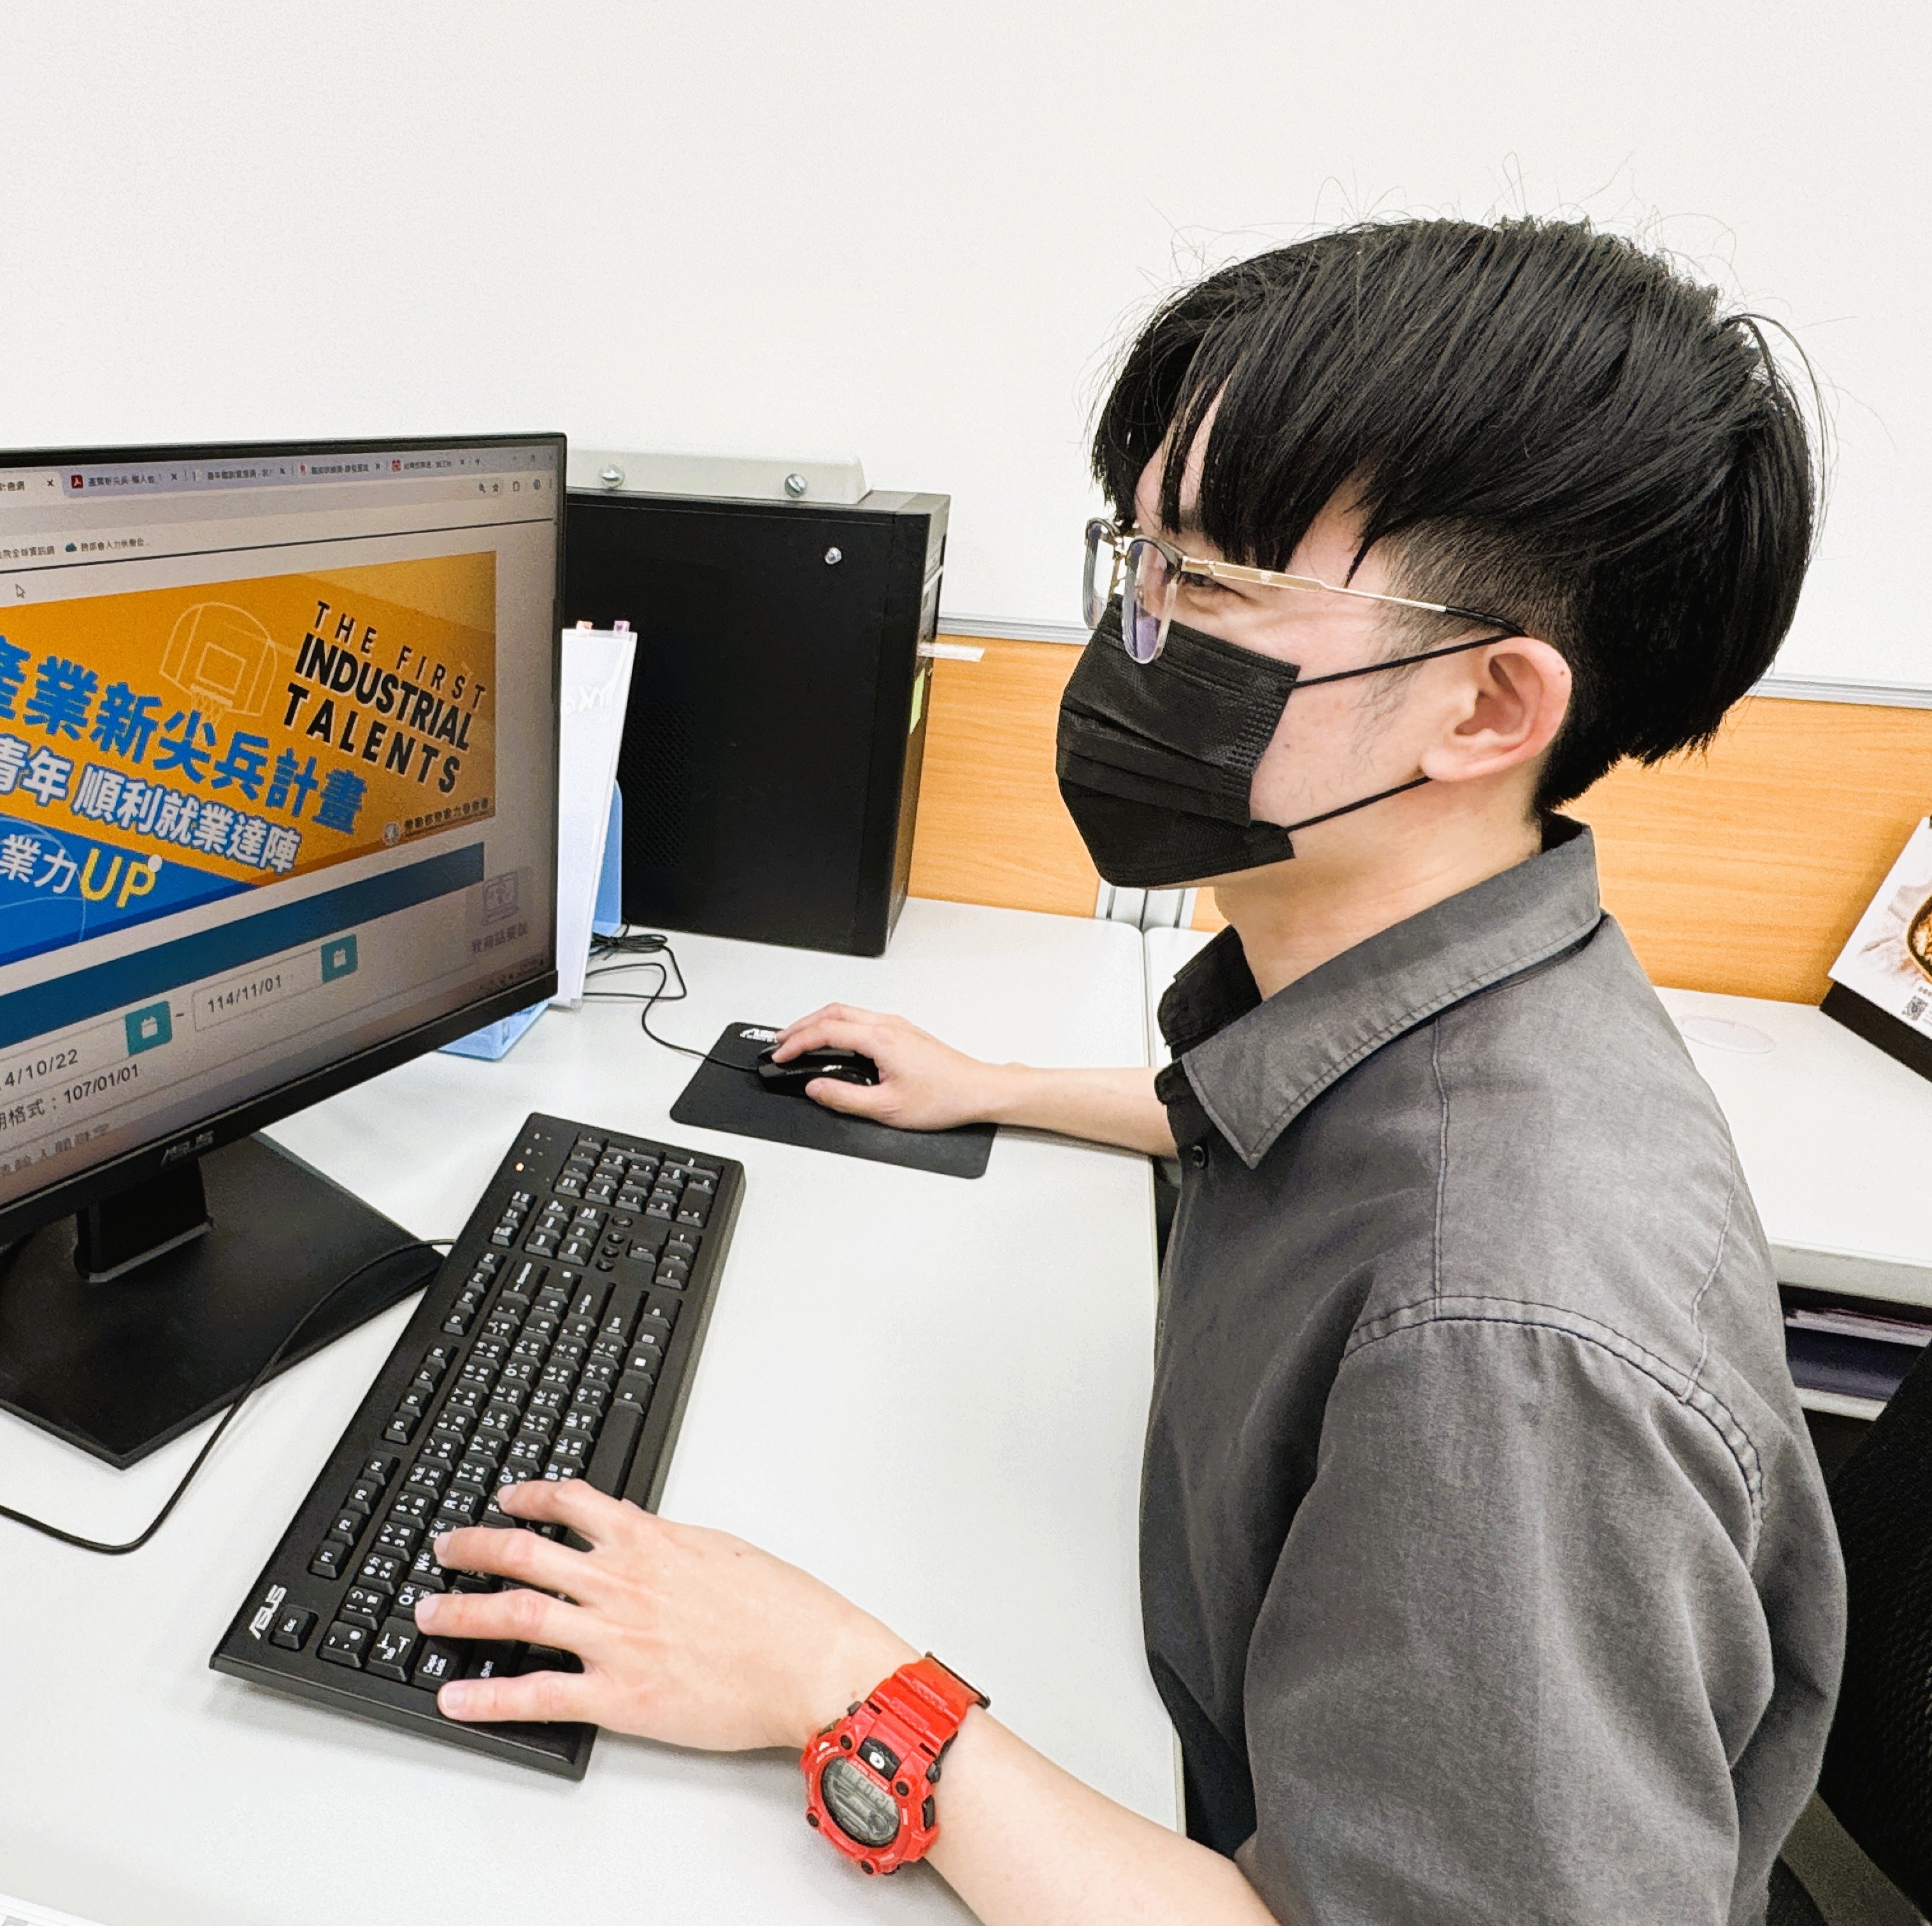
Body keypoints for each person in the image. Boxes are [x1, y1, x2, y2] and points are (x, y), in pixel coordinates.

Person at [419, 217, 1844, 1923]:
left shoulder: (1505, 1337)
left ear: (1483, 709)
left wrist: (829, 1677)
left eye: (1212, 587)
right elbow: (1303, 1134)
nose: (1134, 643)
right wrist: (999, 1087)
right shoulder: (1456, 1000)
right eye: (1137, 558)